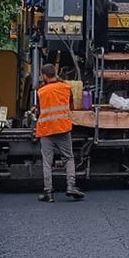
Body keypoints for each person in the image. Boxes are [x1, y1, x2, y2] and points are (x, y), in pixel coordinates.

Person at [35, 64, 85, 203]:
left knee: (47, 162)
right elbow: (71, 106)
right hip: (63, 129)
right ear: (55, 73)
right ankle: (70, 186)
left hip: (46, 130)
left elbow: (39, 111)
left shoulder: (41, 91)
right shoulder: (66, 88)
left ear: (44, 76)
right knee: (68, 158)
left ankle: (48, 193)